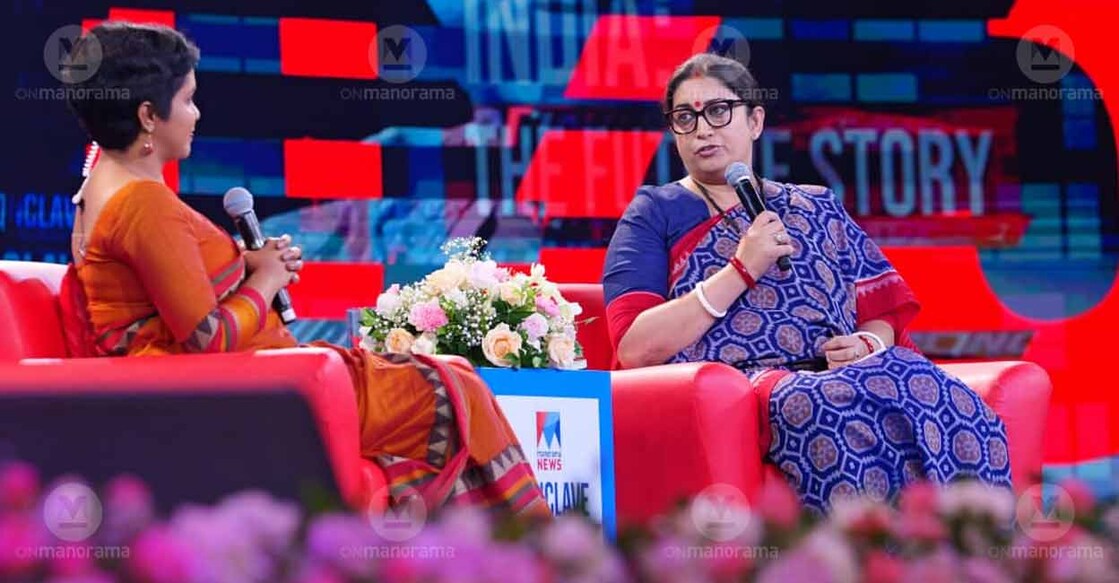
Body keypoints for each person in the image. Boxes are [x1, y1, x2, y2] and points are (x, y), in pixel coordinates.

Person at [61, 22, 548, 518]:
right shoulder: (142, 203)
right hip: (253, 398)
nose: (196, 114)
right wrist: (266, 278)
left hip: (255, 382)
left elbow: (160, 283)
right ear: (148, 115)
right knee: (454, 386)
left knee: (449, 387)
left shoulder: (100, 180)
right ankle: (540, 553)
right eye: (187, 100)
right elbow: (207, 336)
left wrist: (246, 262)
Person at [603, 53, 1011, 511]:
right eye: (685, 117)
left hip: (848, 371)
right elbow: (634, 346)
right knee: (827, 406)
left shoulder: (816, 205)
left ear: (755, 120)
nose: (702, 128)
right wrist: (740, 270)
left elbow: (881, 313)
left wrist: (865, 346)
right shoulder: (653, 214)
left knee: (937, 390)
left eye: (718, 110)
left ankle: (974, 552)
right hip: (751, 384)